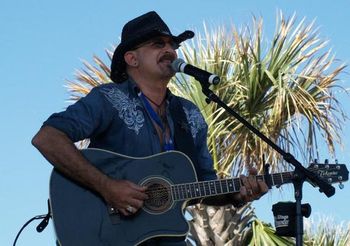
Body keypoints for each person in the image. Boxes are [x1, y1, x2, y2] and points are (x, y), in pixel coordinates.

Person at [32, 11, 268, 245]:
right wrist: (107, 187)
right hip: (105, 235)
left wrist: (237, 193)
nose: (169, 50)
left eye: (172, 45)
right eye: (158, 44)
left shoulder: (190, 115)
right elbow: (48, 138)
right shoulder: (109, 98)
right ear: (132, 59)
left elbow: (202, 184)